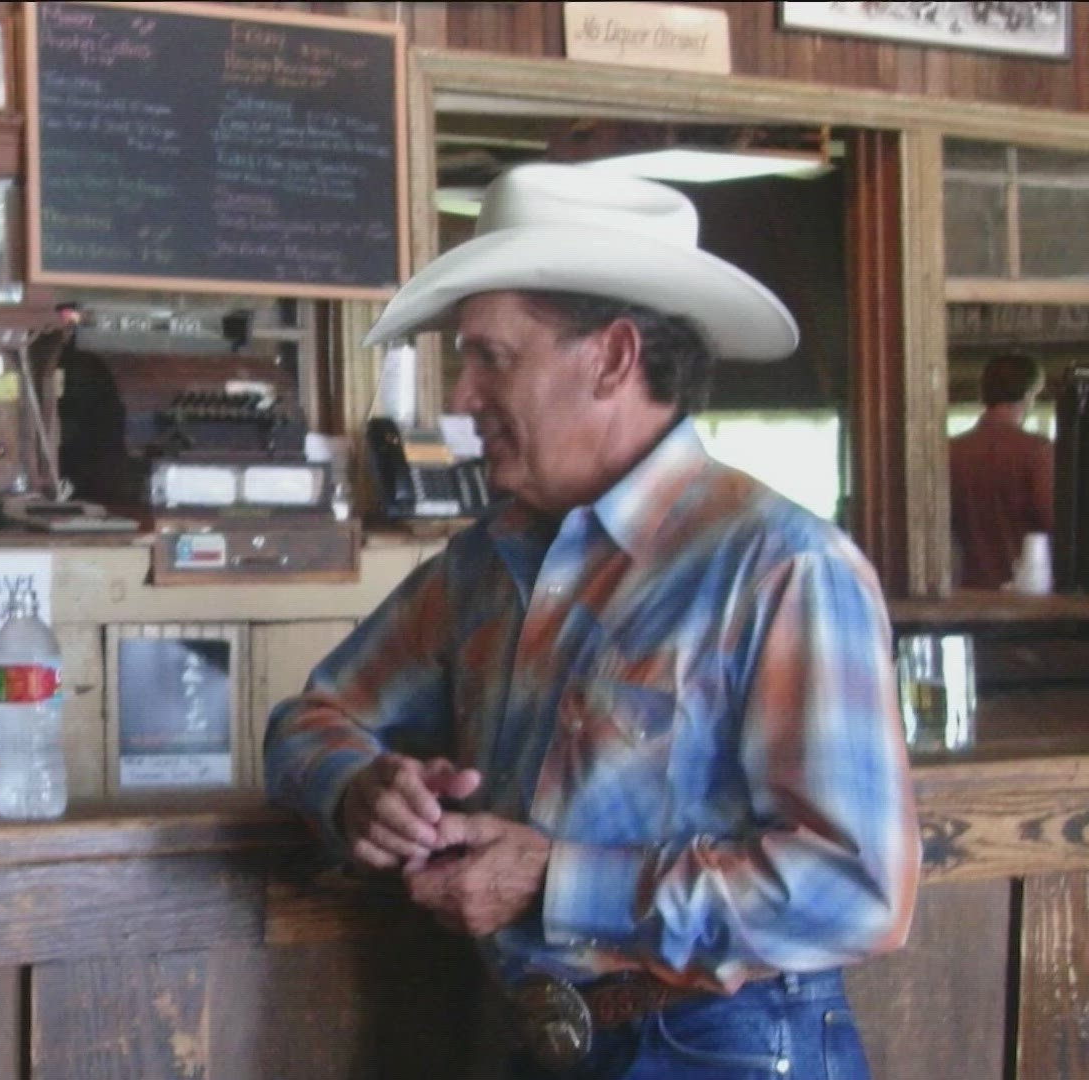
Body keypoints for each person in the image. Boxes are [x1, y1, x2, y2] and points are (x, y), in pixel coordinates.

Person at [264, 164, 918, 1078]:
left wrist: (553, 880)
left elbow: (858, 891)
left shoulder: (781, 565)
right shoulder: (482, 567)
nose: (462, 398)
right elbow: (309, 722)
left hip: (723, 1047)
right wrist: (357, 788)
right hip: (534, 1040)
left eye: (493, 356)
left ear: (611, 357)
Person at [949, 351, 1053, 589]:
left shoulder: (950, 451)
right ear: (1028, 395)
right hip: (1028, 589)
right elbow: (1052, 519)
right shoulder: (1037, 451)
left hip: (964, 592)